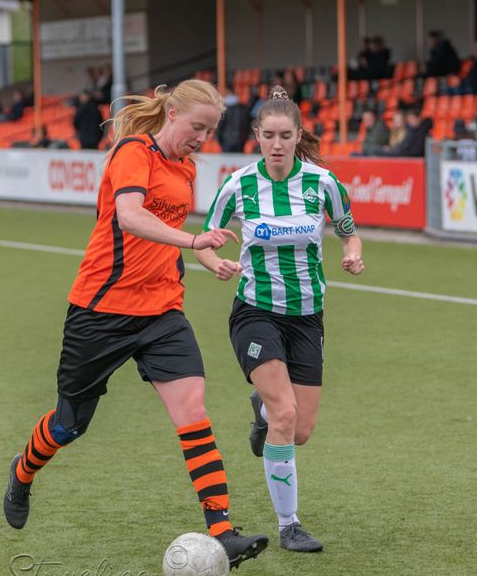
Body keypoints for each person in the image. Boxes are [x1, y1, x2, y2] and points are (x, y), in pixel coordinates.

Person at [2, 79, 269, 569]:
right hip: (101, 311)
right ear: (172, 114)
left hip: (162, 310)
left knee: (193, 411)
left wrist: (209, 257)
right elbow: (129, 216)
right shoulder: (132, 152)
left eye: (210, 131)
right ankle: (23, 473)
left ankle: (223, 531)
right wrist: (194, 241)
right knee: (68, 424)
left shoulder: (187, 168)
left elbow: (168, 235)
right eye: (197, 127)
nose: (202, 139)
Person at [195, 86, 364, 554]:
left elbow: (349, 233)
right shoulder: (238, 185)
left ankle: (263, 411)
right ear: (256, 135)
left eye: (285, 136)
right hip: (256, 312)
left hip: (308, 317)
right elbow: (205, 239)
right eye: (268, 135)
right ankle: (290, 525)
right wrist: (215, 263)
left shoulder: (323, 183)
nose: (276, 144)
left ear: (298, 135)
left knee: (299, 430)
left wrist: (353, 255)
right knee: (286, 415)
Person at [217, 88, 251, 153]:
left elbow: (220, 126)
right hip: (240, 140)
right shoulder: (243, 109)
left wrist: (219, 139)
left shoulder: (225, 109)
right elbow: (247, 126)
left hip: (227, 140)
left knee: (226, 158)